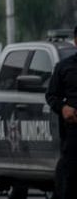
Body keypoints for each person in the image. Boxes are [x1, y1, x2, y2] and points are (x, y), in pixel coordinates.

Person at [45, 25, 77, 199]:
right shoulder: (64, 67)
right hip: (73, 133)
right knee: (69, 178)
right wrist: (63, 108)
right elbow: (51, 95)